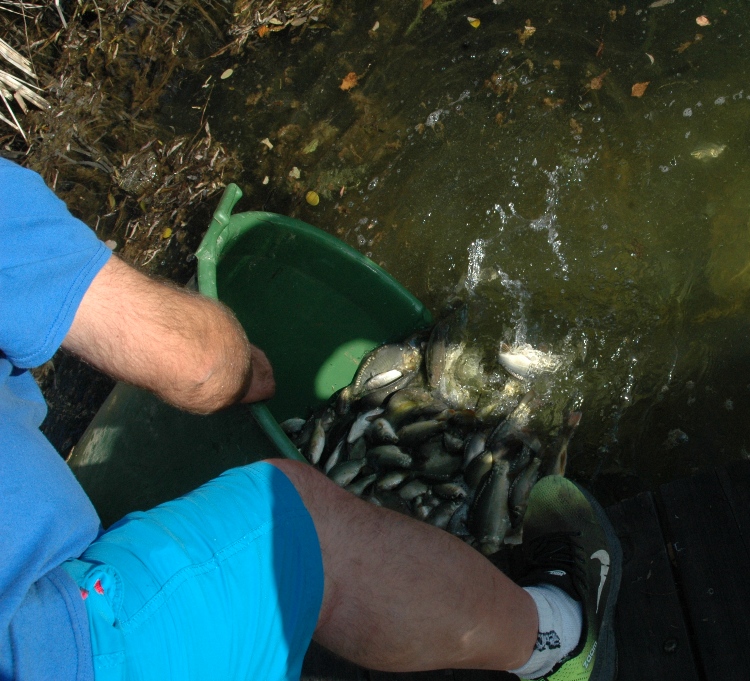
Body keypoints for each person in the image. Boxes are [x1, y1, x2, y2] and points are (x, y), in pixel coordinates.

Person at [0, 157, 622, 681]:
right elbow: (197, 363)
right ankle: (558, 634)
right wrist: (243, 373)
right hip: (49, 645)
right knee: (303, 519)